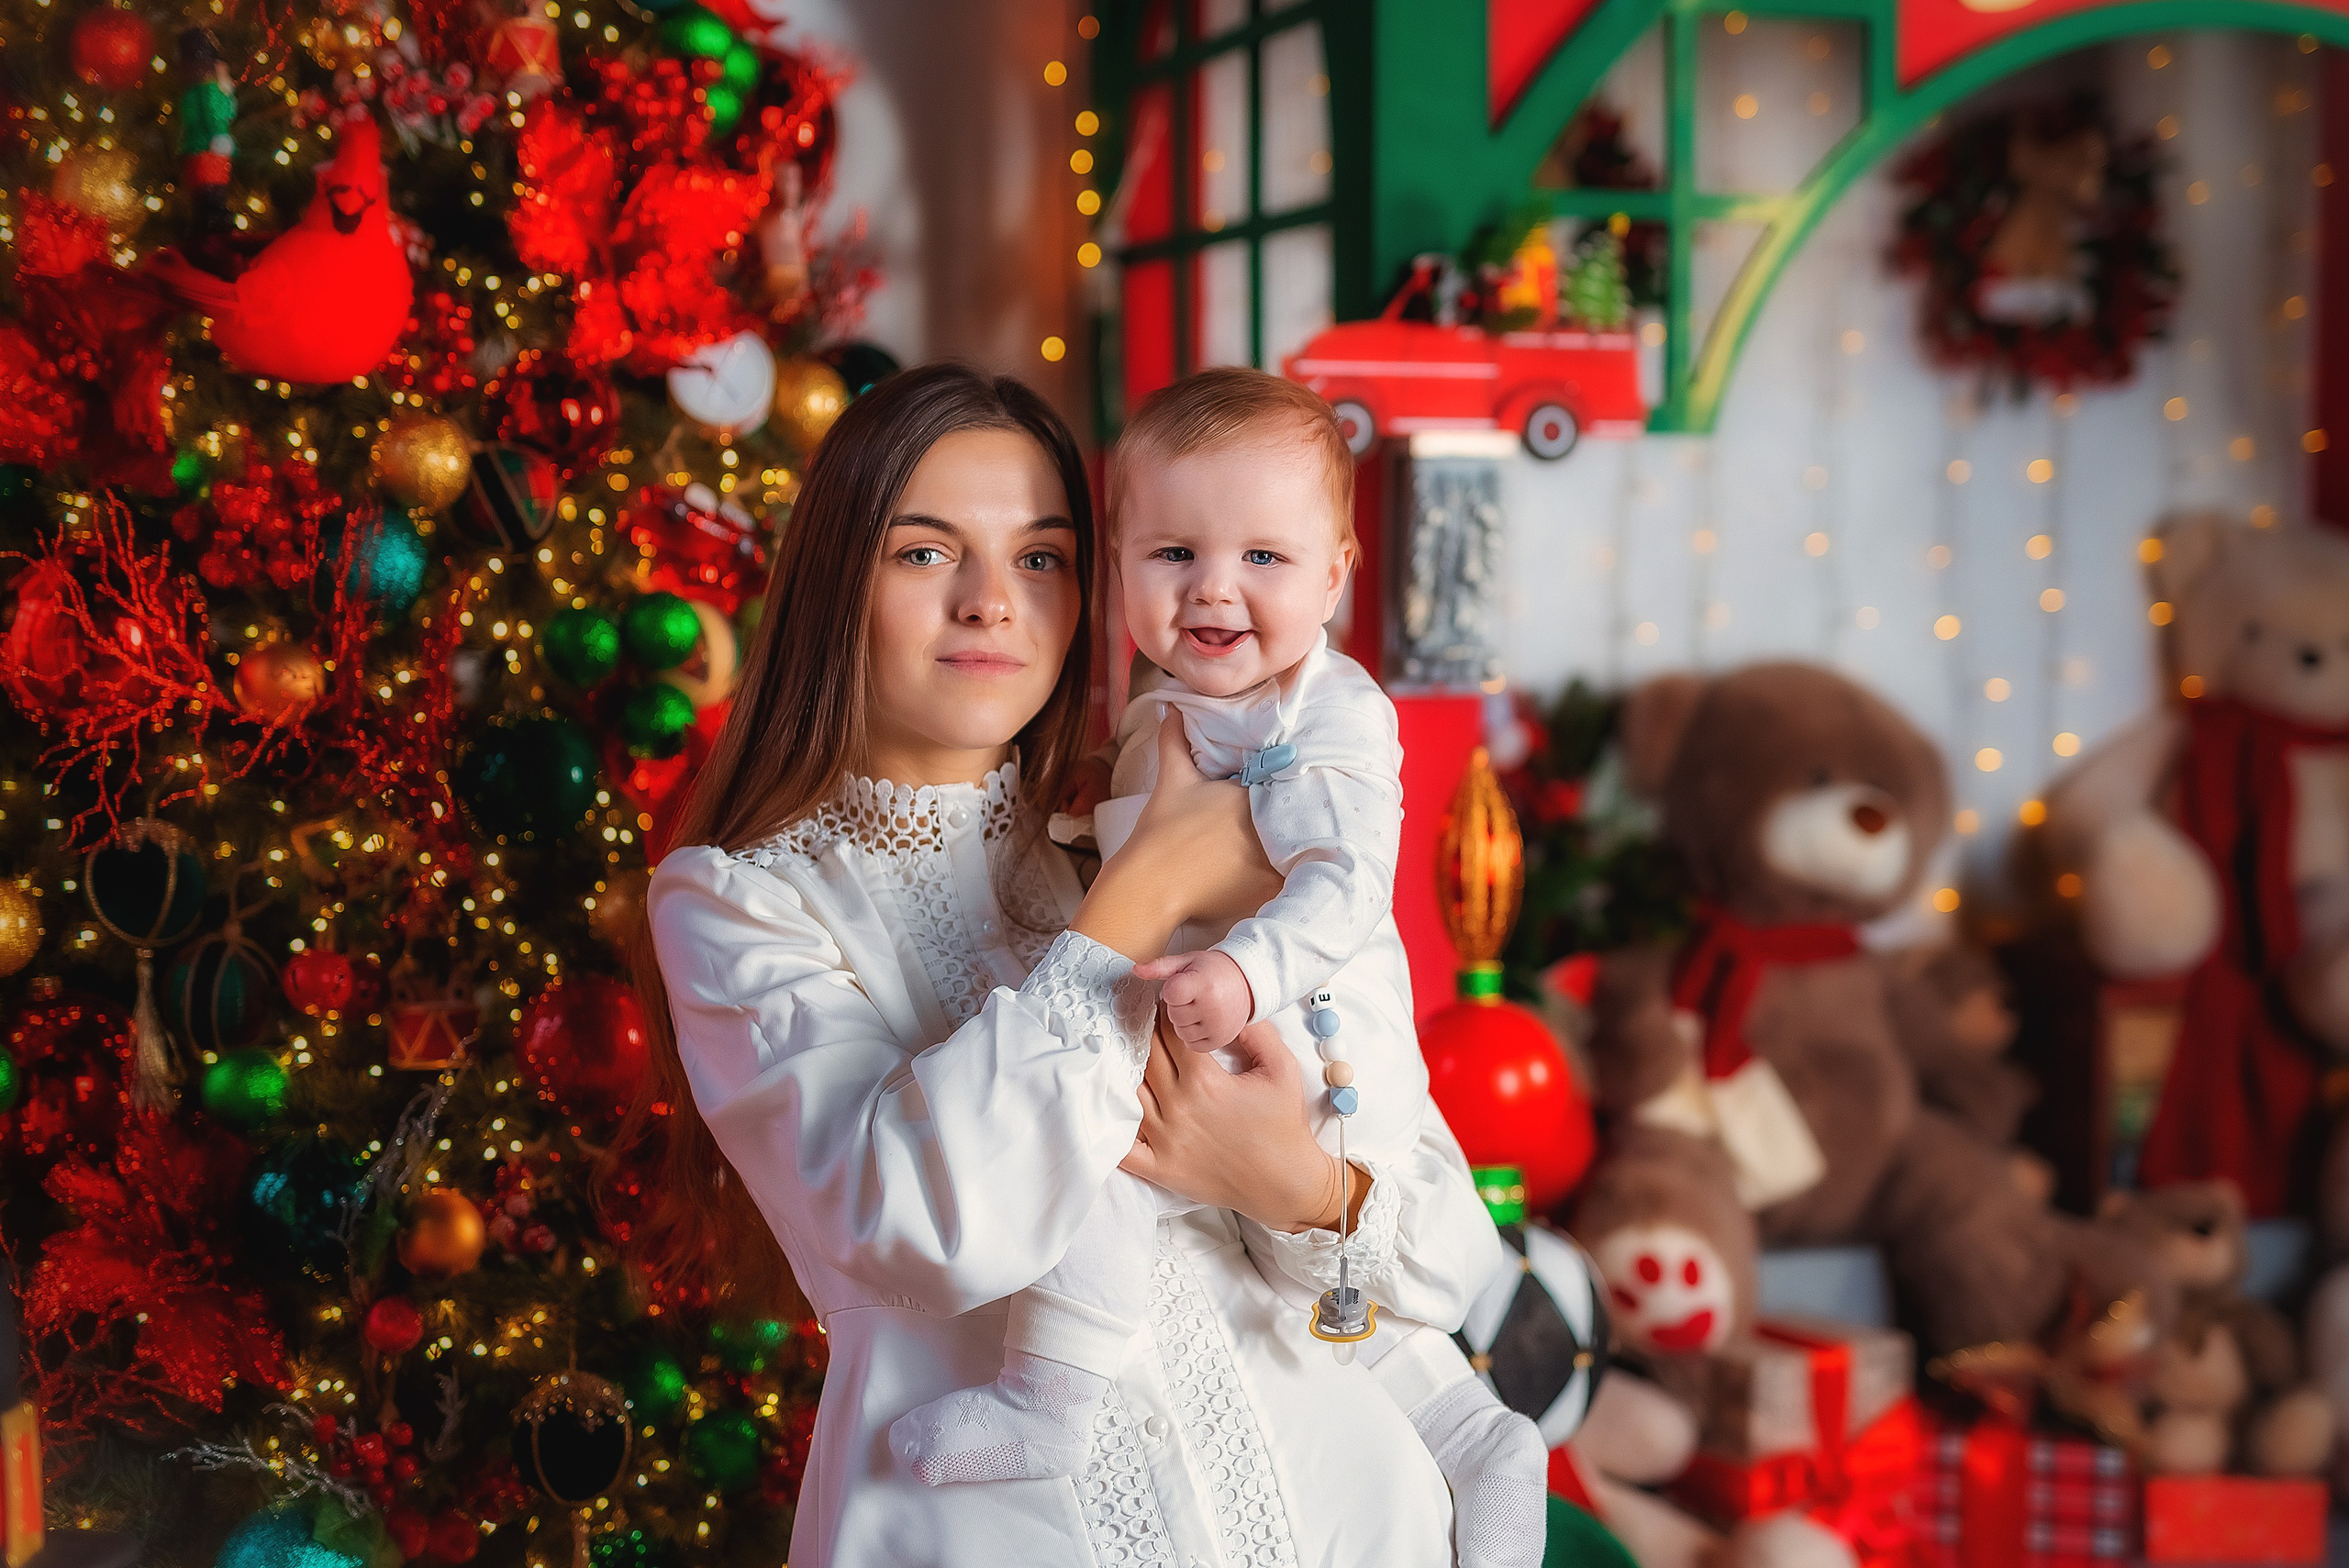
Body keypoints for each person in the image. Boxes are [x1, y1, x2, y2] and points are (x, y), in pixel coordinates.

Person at [632, 363, 1506, 1567]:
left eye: (1040, 556)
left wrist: (1296, 1184)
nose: (992, 601)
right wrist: (1141, 890)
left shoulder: (1148, 809)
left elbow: (1447, 1253)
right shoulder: (740, 902)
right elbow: (922, 1221)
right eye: (927, 552)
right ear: (838, 578)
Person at [890, 368, 1546, 1568]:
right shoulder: (1166, 704)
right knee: (1171, 1194)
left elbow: (1346, 883)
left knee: (1110, 1148)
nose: (1214, 589)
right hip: (1221, 1038)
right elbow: (1168, 837)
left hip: (1312, 1046)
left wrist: (1246, 972)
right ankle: (1476, 1432)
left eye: (1265, 558)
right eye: (1174, 551)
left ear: (1338, 574)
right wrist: (1099, 817)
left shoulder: (1328, 711)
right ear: (1124, 564)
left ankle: (1053, 1396)